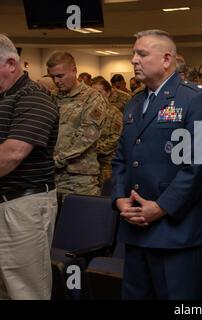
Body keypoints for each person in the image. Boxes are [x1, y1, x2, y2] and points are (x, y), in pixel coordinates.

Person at [112, 29, 202, 299]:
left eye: (142, 54)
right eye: (133, 54)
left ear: (166, 59)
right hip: (135, 225)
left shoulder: (194, 98)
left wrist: (161, 207)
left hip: (173, 229)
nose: (134, 60)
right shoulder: (135, 103)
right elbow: (122, 157)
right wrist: (119, 199)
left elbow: (199, 165)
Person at [0, 35, 59, 299]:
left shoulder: (34, 97)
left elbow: (12, 154)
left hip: (22, 206)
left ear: (11, 64)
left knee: (24, 290)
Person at [47, 52, 107, 199]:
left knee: (78, 220)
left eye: (60, 76)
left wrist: (57, 160)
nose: (56, 81)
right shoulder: (52, 97)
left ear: (74, 70)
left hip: (79, 179)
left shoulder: (92, 98)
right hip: (51, 177)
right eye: (52, 77)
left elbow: (86, 137)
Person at [91, 78, 123, 187]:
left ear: (108, 93)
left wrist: (94, 149)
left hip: (107, 164)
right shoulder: (90, 112)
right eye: (93, 92)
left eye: (99, 92)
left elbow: (115, 138)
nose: (96, 96)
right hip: (91, 163)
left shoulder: (114, 113)